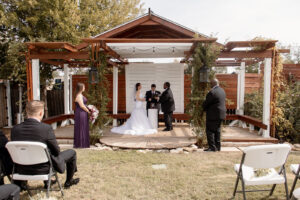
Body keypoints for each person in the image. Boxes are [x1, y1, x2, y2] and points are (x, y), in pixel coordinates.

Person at [11, 100, 80, 188]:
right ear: (40, 113)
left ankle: (46, 182)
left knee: (46, 153)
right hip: (43, 168)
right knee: (71, 152)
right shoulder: (45, 129)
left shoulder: (15, 129)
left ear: (27, 112)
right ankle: (68, 182)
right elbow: (56, 151)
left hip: (21, 168)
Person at [202, 78, 226, 152]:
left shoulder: (212, 92)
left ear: (213, 84)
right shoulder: (222, 91)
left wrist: (203, 108)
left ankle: (212, 148)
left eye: (210, 83)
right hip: (221, 114)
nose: (210, 85)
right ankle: (218, 147)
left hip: (213, 115)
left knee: (210, 131)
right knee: (217, 131)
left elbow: (206, 103)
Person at [74, 83, 90, 148]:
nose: (84, 88)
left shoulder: (80, 95)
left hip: (83, 112)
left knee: (83, 126)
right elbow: (82, 106)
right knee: (81, 126)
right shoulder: (79, 95)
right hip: (81, 112)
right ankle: (81, 144)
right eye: (84, 87)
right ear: (80, 88)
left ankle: (83, 143)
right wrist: (88, 111)